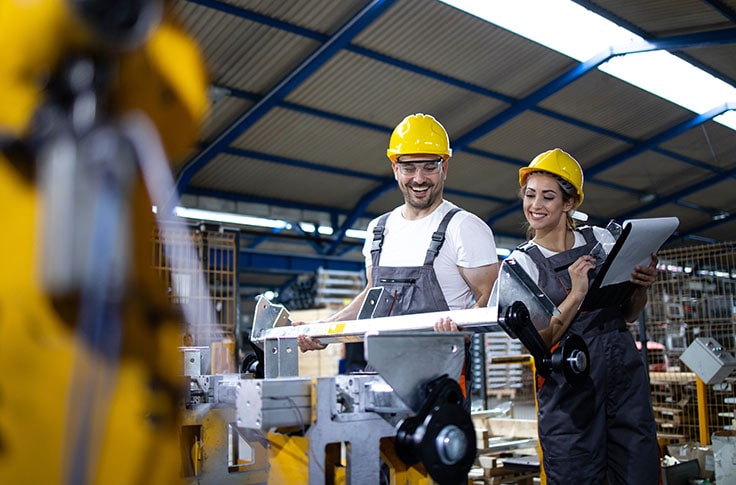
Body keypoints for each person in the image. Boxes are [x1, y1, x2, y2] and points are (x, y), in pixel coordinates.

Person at [295, 113, 500, 382]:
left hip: (440, 380)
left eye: (429, 167)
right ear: (395, 168)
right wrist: (325, 328)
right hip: (378, 378)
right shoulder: (379, 229)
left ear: (444, 168)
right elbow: (373, 294)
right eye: (409, 167)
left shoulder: (463, 227)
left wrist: (461, 329)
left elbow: (492, 298)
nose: (419, 178)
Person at [506, 148, 660, 484]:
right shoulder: (522, 265)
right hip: (570, 385)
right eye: (530, 195)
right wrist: (576, 293)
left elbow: (629, 316)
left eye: (548, 197)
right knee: (575, 472)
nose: (535, 205)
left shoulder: (601, 240)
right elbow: (539, 342)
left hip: (623, 373)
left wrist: (640, 286)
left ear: (569, 203)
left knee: (638, 467)